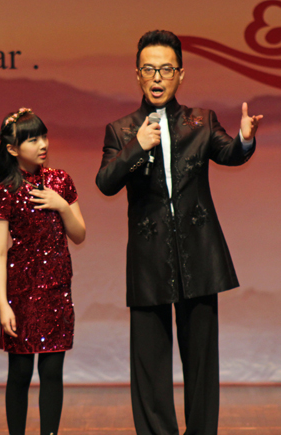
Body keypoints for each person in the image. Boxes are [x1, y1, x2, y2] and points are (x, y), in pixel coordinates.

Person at [95, 30, 262, 435]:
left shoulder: (201, 121)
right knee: (150, 364)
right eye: (149, 69)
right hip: (149, 259)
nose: (157, 77)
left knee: (202, 360)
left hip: (200, 254)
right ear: (138, 75)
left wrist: (244, 138)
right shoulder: (121, 130)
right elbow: (105, 182)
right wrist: (137, 146)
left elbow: (229, 153)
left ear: (180, 75)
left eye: (166, 69)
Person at [0, 108, 86, 435]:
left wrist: (61, 204)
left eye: (43, 136)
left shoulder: (60, 180)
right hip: (20, 292)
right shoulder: (4, 190)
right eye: (32, 139)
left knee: (52, 372)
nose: (42, 144)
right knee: (19, 373)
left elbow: (79, 234)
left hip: (56, 288)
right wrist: (3, 304)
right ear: (12, 148)